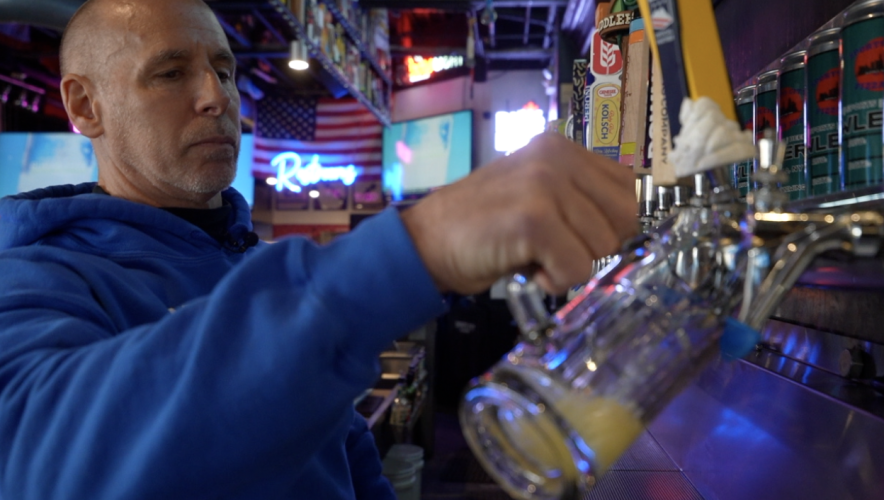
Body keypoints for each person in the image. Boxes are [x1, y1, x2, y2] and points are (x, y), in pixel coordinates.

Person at [0, 0, 637, 498]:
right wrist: (420, 244)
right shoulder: (35, 275)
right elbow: (49, 464)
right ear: (85, 105)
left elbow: (344, 454)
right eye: (170, 73)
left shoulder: (251, 261)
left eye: (224, 70)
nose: (218, 97)